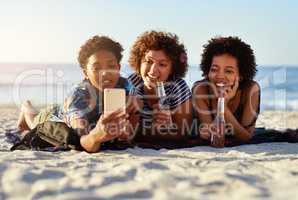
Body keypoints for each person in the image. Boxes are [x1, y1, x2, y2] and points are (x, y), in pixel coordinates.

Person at [17, 35, 137, 152]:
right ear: (85, 73)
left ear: (119, 67)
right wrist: (96, 136)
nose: (105, 73)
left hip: (67, 109)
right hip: (54, 116)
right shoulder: (78, 96)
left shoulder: (125, 85)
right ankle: (26, 106)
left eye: (111, 66)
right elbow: (82, 141)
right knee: (33, 123)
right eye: (97, 68)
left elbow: (131, 125)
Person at [192, 36, 260, 147]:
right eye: (214, 69)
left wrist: (223, 105)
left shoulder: (251, 90)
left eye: (228, 71)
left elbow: (246, 137)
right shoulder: (201, 89)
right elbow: (215, 136)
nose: (220, 76)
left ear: (240, 75)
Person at [128, 31, 192, 145]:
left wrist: (166, 128)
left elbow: (183, 134)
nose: (152, 71)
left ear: (172, 69)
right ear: (139, 62)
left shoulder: (177, 87)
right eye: (148, 61)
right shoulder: (132, 83)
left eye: (162, 64)